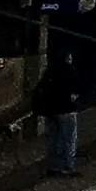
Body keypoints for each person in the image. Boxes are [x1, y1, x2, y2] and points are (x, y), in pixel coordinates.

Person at [28, 48, 85, 177]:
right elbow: (77, 88)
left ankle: (53, 166)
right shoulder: (68, 71)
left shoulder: (49, 72)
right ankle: (67, 167)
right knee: (69, 140)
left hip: (50, 111)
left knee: (53, 139)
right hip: (66, 110)